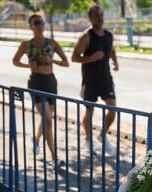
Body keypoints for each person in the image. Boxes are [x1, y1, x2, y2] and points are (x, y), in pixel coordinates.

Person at [12, 14, 70, 169]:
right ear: (31, 26)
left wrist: (52, 61)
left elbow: (66, 63)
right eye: (36, 23)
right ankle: (54, 157)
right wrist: (27, 66)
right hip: (35, 82)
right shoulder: (26, 45)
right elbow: (15, 60)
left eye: (42, 22)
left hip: (50, 81)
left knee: (47, 118)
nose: (40, 25)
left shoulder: (52, 43)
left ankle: (36, 139)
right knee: (48, 119)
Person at [71, 5, 119, 155]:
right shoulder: (86, 36)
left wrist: (115, 62)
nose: (100, 18)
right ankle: (88, 140)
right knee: (89, 111)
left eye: (102, 15)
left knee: (112, 109)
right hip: (90, 80)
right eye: (97, 16)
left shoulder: (109, 35)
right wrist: (91, 58)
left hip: (105, 78)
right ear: (91, 18)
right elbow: (74, 57)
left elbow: (111, 49)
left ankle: (102, 135)